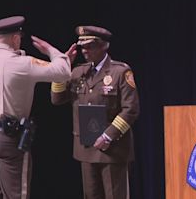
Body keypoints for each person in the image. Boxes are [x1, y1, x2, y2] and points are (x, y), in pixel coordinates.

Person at [0, 15, 71, 199]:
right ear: (16, 38)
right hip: (10, 138)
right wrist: (52, 51)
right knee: (16, 195)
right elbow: (63, 72)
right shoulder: (22, 63)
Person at [51, 25, 139, 199]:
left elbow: (131, 109)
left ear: (104, 46)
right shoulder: (78, 72)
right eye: (82, 46)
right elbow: (57, 99)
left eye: (90, 46)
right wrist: (61, 70)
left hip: (112, 149)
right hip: (86, 149)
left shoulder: (120, 72)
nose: (85, 50)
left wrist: (107, 136)